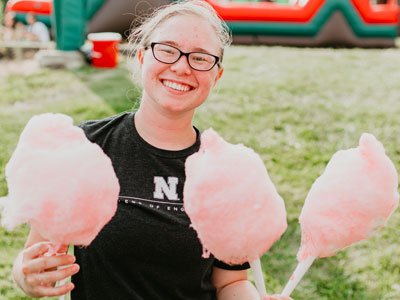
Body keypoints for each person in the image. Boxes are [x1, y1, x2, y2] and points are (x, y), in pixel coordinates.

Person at [12, 1, 292, 299]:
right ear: (143, 56)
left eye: (200, 58)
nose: (182, 67)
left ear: (216, 76)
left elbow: (231, 282)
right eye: (167, 50)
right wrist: (26, 274)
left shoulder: (227, 172)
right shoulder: (85, 147)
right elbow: (36, 254)